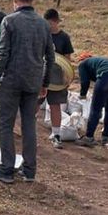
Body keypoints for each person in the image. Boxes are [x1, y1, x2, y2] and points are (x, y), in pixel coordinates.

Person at [0, 0, 54, 184]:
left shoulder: (9, 21)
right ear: (32, 0)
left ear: (15, 0)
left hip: (12, 80)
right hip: (33, 81)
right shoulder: (43, 24)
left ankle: (7, 169)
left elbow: (2, 54)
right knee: (28, 125)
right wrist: (45, 82)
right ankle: (29, 170)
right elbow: (50, 56)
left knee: (5, 124)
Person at [75, 53, 108, 147]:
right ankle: (105, 138)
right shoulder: (101, 61)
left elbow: (84, 81)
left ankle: (89, 138)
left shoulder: (83, 64)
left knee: (95, 108)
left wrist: (82, 95)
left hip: (107, 76)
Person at [42, 8, 76, 148]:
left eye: (50, 23)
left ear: (56, 22)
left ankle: (56, 135)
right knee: (34, 104)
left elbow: (67, 60)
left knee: (55, 106)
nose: (48, 26)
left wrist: (66, 78)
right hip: (41, 74)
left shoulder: (64, 38)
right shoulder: (42, 35)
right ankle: (29, 133)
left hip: (57, 79)